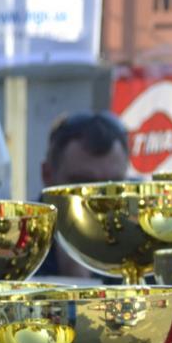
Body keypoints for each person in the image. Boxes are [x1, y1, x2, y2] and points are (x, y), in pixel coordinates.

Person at [36, 110, 131, 275]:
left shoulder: (139, 246)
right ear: (48, 175)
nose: (101, 202)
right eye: (83, 186)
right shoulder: (21, 248)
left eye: (113, 187)